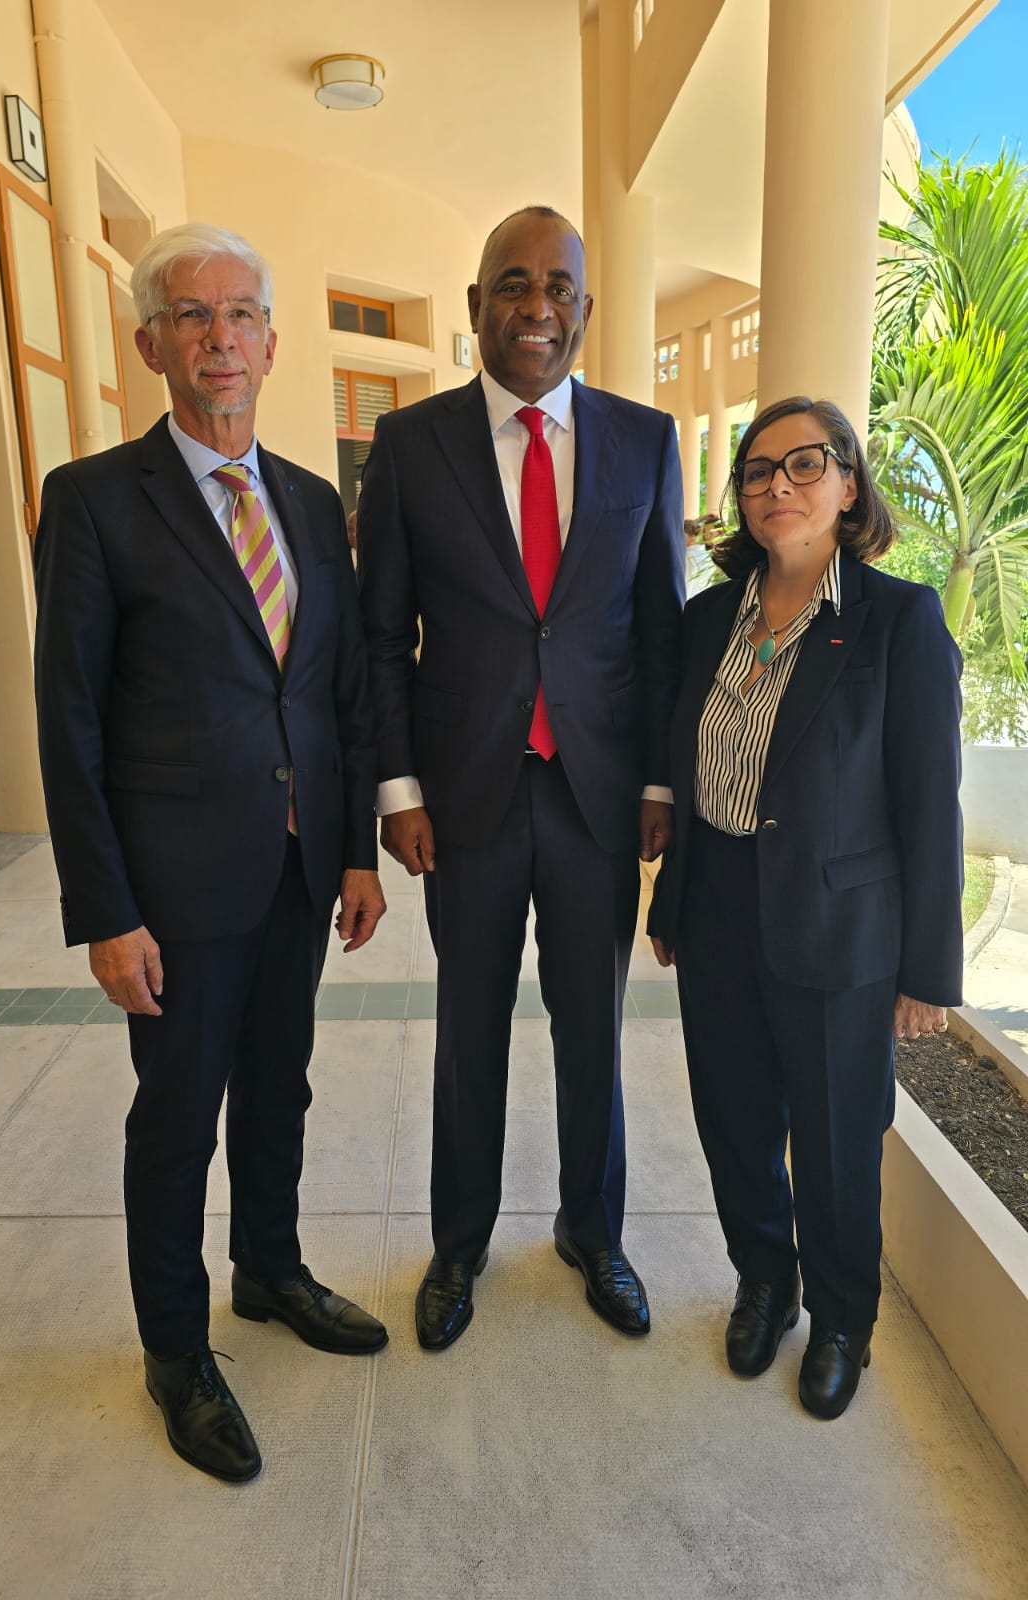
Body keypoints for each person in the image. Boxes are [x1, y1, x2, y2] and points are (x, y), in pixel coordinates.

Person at [34, 223, 388, 1484]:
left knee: (280, 1085)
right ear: (151, 346)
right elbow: (69, 717)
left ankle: (269, 1268)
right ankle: (177, 1352)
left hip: (297, 869)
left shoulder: (311, 501)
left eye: (241, 315)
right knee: (179, 1119)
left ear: (273, 344)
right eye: (192, 315)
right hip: (175, 887)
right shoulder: (92, 501)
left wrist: (356, 852)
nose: (219, 338)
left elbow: (340, 688)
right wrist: (104, 910)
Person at [357, 206, 684, 1350]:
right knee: (469, 1029)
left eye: (558, 288)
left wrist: (659, 782)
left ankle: (594, 1232)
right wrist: (398, 791)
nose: (536, 307)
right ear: (475, 305)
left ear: (585, 309)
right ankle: (459, 1243)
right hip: (466, 800)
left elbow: (659, 629)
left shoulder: (646, 440)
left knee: (593, 1029)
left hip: (598, 797)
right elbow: (381, 636)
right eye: (513, 283)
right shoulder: (411, 445)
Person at [647, 396, 964, 1420]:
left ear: (848, 486)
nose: (777, 485)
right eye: (757, 470)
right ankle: (764, 1281)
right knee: (733, 1118)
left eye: (804, 464)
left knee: (835, 1140)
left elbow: (930, 803)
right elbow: (682, 758)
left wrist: (928, 970)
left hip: (839, 927)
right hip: (718, 907)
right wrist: (672, 896)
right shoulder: (709, 618)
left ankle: (839, 1319)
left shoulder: (898, 619)